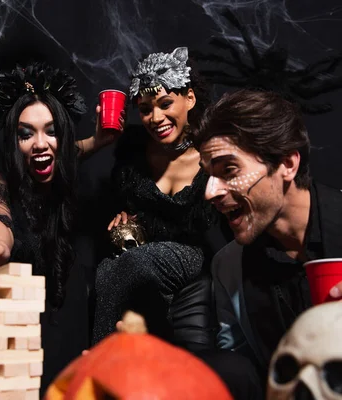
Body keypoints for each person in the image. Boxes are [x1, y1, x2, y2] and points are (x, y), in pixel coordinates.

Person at [196, 89, 342, 381]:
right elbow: (240, 376)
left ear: (287, 164)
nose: (210, 191)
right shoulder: (227, 267)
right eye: (207, 175)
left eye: (229, 169)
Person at [0, 62, 120, 393]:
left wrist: (100, 139)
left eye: (51, 130)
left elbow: (73, 150)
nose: (40, 144)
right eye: (26, 134)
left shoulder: (62, 155)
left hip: (59, 303)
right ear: (14, 141)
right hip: (18, 323)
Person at [91, 47, 227, 351]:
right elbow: (127, 206)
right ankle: (104, 372)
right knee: (106, 270)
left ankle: (100, 364)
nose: (156, 118)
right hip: (144, 258)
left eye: (166, 104)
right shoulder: (133, 151)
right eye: (145, 109)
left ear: (189, 98)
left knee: (138, 262)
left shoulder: (213, 151)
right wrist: (123, 218)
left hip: (195, 256)